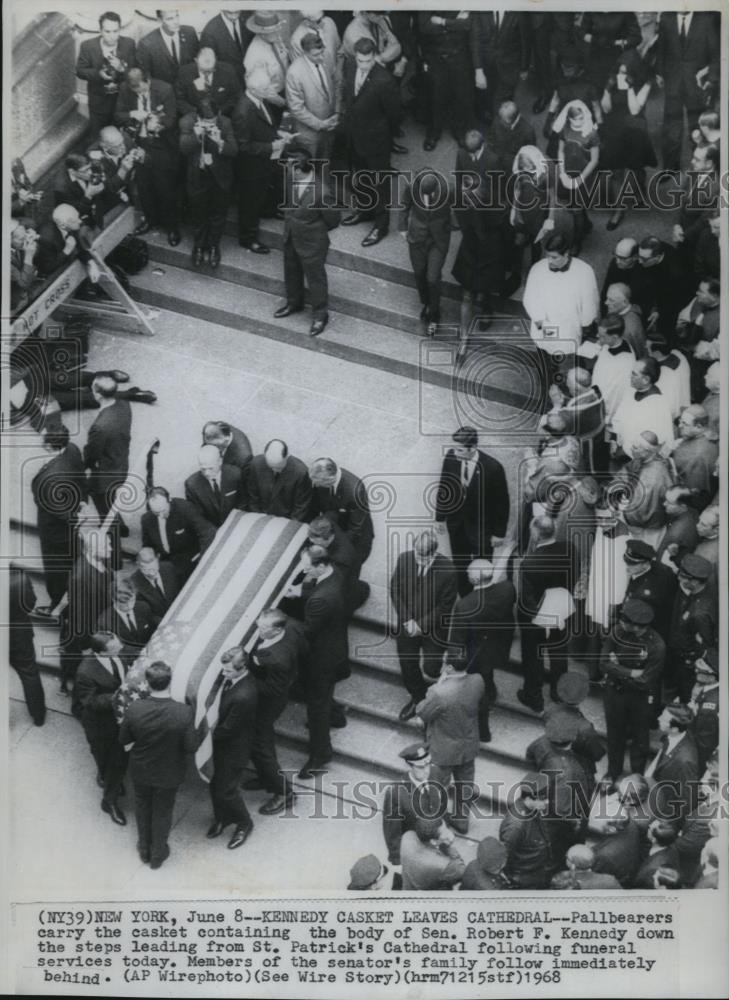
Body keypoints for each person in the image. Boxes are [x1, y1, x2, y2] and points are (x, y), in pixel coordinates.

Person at [119, 661, 195, 868]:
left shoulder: (134, 708)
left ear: (148, 683)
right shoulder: (184, 712)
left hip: (141, 769)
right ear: (170, 682)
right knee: (163, 810)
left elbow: (124, 739)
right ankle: (158, 854)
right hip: (169, 773)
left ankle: (144, 848)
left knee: (142, 805)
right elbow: (190, 747)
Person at [287, 546, 349, 779]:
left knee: (316, 707)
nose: (305, 572)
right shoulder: (334, 574)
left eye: (307, 569)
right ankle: (336, 715)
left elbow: (307, 630)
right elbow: (319, 592)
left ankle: (320, 754)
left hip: (321, 659)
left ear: (321, 565)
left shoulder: (322, 599)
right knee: (321, 697)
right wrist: (302, 592)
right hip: (333, 649)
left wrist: (283, 622)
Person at [390, 530, 457, 722]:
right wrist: (407, 620)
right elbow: (395, 589)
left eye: (424, 558)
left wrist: (421, 625)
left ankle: (437, 694)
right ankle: (418, 699)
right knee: (408, 665)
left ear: (434, 553)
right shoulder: (405, 559)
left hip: (433, 628)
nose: (418, 561)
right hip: (407, 624)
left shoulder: (448, 571)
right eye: (417, 556)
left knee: (431, 668)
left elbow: (445, 606)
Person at [273, 144, 340, 337]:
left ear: (300, 170)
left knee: (315, 279)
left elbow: (333, 220)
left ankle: (320, 314)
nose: (286, 169)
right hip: (291, 235)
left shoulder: (322, 192)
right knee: (291, 270)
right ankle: (294, 303)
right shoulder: (290, 178)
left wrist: (312, 230)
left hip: (312, 243)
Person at [434, 425, 509, 595]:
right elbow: (444, 486)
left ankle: (481, 595)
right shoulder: (451, 457)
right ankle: (465, 596)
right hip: (457, 524)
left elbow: (502, 503)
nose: (455, 453)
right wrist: (440, 517)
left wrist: (499, 533)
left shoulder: (493, 468)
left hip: (482, 528)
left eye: (460, 450)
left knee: (482, 566)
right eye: (455, 448)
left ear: (473, 447)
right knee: (460, 564)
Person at [340, 37, 400, 248]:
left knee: (381, 183)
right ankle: (365, 211)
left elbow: (394, 115)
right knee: (361, 177)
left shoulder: (384, 80)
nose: (362, 65)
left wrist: (381, 134)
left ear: (374, 57)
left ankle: (381, 225)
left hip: (376, 141)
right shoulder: (350, 66)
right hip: (354, 136)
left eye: (367, 61)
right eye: (359, 60)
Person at [523, 232, 600, 394]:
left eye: (554, 257)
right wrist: (540, 322)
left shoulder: (585, 272)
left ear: (567, 254)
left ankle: (566, 391)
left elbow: (590, 302)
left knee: (567, 366)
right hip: (543, 327)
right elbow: (530, 297)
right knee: (544, 361)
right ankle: (546, 386)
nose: (549, 261)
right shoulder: (538, 269)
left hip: (568, 330)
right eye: (548, 256)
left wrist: (586, 324)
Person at [447, 558, 515, 742]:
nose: (467, 574)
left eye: (469, 573)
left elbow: (457, 641)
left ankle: (483, 731)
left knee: (479, 692)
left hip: (476, 655)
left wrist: (452, 665)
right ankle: (491, 690)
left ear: (475, 580)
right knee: (488, 675)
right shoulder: (508, 589)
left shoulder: (465, 606)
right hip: (499, 648)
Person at [416, 652, 483, 833]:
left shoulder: (438, 692)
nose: (441, 663)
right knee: (465, 785)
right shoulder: (478, 681)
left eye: (444, 661)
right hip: (468, 746)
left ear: (450, 667)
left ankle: (436, 825)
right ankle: (461, 821)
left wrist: (440, 682)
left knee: (437, 789)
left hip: (442, 750)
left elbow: (422, 713)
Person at [600, 599, 665, 783]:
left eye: (625, 622)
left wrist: (617, 667)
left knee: (640, 739)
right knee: (614, 735)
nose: (620, 623)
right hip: (615, 693)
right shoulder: (618, 632)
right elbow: (603, 664)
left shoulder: (656, 646)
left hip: (641, 698)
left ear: (637, 626)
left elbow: (645, 682)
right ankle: (613, 773)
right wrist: (630, 672)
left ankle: (637, 777)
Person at [247, 609, 305, 815]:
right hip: (271, 696)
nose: (258, 630)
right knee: (263, 740)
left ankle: (284, 792)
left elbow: (273, 688)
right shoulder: (289, 629)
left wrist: (245, 679)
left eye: (263, 628)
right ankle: (266, 777)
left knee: (259, 746)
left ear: (277, 629)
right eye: (259, 624)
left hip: (268, 703)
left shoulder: (277, 658)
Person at [114, 68, 180, 245]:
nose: (139, 93)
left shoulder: (165, 89)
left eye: (142, 89)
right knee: (144, 186)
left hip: (162, 145)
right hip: (140, 144)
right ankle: (150, 220)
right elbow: (118, 115)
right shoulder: (125, 89)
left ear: (148, 80)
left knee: (166, 188)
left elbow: (172, 119)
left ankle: (172, 226)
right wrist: (132, 114)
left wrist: (156, 124)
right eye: (135, 91)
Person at [71, 630, 130, 826]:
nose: (121, 647)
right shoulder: (85, 671)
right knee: (107, 757)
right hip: (100, 724)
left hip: (119, 719)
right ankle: (109, 800)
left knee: (118, 758)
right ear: (102, 652)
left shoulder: (120, 655)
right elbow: (90, 701)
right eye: (115, 647)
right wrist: (118, 696)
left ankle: (109, 778)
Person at [516, 514, 575, 713]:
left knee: (533, 656)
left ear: (535, 535)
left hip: (538, 615)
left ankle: (533, 697)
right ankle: (559, 693)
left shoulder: (529, 563)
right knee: (559, 652)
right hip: (564, 608)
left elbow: (526, 600)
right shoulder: (570, 549)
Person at [232, 66, 289, 255]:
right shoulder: (243, 111)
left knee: (262, 193)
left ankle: (268, 210)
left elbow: (264, 125)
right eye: (266, 88)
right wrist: (272, 146)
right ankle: (248, 239)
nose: (270, 91)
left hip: (263, 162)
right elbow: (243, 146)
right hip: (251, 168)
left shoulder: (258, 100)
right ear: (255, 89)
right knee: (250, 202)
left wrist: (277, 133)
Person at [30, 424, 87, 611]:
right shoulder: (72, 449)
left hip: (55, 532)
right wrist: (82, 502)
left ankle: (58, 606)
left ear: (49, 446)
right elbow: (80, 477)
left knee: (56, 572)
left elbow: (56, 509)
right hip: (70, 522)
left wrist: (76, 518)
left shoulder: (48, 479)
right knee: (72, 563)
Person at [655, 12, 720, 172]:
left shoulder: (706, 18)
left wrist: (711, 80)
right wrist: (659, 72)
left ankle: (700, 167)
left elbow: (716, 54)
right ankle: (670, 168)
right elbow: (661, 47)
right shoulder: (666, 18)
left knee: (697, 126)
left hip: (698, 85)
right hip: (673, 82)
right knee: (671, 128)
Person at [207, 645, 258, 850]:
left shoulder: (244, 695)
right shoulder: (234, 683)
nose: (223, 673)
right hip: (223, 745)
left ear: (242, 668)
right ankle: (223, 817)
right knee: (214, 784)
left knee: (227, 790)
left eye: (228, 671)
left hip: (233, 748)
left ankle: (244, 823)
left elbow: (228, 729)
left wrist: (204, 735)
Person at [599, 50, 656, 230]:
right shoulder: (613, 78)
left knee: (635, 167)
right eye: (620, 71)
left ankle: (640, 188)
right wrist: (608, 90)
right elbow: (606, 109)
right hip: (615, 126)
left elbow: (634, 110)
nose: (621, 75)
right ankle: (618, 210)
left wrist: (630, 88)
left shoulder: (646, 83)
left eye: (626, 73)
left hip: (634, 127)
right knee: (617, 171)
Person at [179, 98, 237, 268]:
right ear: (197, 117)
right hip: (197, 176)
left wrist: (220, 142)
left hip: (219, 177)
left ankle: (213, 246)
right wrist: (196, 136)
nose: (209, 125)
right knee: (198, 214)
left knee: (218, 214)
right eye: (206, 122)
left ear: (218, 114)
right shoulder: (187, 122)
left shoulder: (225, 123)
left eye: (212, 122)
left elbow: (234, 150)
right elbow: (183, 148)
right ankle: (198, 246)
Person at [381, 742, 443, 886]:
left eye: (428, 764)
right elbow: (392, 832)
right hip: (413, 848)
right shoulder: (396, 792)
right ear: (410, 765)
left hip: (435, 842)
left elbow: (439, 803)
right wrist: (397, 860)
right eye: (421, 767)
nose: (426, 770)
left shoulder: (435, 773)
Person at [398, 172, 452, 337]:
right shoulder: (412, 187)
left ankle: (434, 315)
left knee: (432, 277)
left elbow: (459, 207)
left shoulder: (448, 189)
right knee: (420, 273)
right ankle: (427, 303)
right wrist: (402, 228)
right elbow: (404, 206)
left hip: (438, 239)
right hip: (417, 237)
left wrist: (453, 225)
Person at [61, 530, 114, 691]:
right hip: (88, 631)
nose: (111, 549)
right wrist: (85, 645)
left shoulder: (101, 562)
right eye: (106, 546)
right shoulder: (80, 577)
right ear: (91, 550)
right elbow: (79, 617)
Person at [417, 10, 474, 150]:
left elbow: (467, 25)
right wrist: (454, 24)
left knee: (460, 96)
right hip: (435, 57)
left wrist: (441, 22)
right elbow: (424, 28)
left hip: (459, 56)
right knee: (436, 96)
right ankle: (433, 133)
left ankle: (460, 132)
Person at [75, 10, 136, 137]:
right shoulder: (87, 46)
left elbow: (136, 72)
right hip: (99, 103)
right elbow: (80, 71)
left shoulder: (129, 44)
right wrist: (98, 74)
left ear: (120, 29)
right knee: (99, 137)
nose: (112, 36)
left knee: (122, 137)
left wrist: (121, 68)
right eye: (107, 31)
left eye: (115, 31)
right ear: (100, 31)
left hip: (122, 102)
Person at [667, 554, 717, 703]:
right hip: (678, 655)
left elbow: (705, 644)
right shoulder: (690, 594)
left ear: (694, 581)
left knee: (686, 697)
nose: (679, 579)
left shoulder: (700, 612)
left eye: (683, 577)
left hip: (689, 663)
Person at [613, 431, 674, 548]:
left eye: (635, 447)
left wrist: (620, 510)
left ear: (647, 451)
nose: (631, 448)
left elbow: (638, 512)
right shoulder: (644, 458)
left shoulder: (653, 478)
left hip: (646, 529)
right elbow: (627, 469)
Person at [141, 486, 215, 583]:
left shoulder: (185, 508)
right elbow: (147, 545)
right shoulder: (146, 519)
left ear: (169, 500)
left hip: (191, 560)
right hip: (167, 563)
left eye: (163, 510)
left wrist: (203, 558)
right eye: (156, 512)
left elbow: (207, 532)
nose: (160, 515)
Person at [308, 457, 374, 565]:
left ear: (330, 479)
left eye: (318, 482)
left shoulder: (356, 491)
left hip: (356, 537)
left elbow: (355, 529)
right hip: (332, 527)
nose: (315, 484)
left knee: (348, 571)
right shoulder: (320, 480)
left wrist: (334, 548)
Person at [285, 33, 340, 161]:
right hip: (309, 135)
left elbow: (337, 84)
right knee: (308, 169)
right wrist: (320, 124)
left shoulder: (326, 57)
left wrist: (337, 111)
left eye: (322, 52)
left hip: (330, 127)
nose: (321, 57)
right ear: (305, 52)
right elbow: (296, 108)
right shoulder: (294, 73)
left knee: (325, 163)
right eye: (316, 55)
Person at [83, 373, 131, 518]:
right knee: (111, 497)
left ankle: (112, 529)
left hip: (105, 474)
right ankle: (119, 523)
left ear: (98, 395)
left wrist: (86, 467)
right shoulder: (124, 405)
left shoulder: (100, 427)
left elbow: (92, 453)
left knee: (102, 504)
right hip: (121, 463)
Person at [554, 100, 600, 248]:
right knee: (572, 205)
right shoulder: (565, 129)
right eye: (576, 118)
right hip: (567, 172)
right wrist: (562, 174)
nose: (580, 121)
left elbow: (594, 160)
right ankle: (586, 224)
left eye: (582, 117)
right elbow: (560, 151)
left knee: (577, 209)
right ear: (569, 119)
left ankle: (577, 241)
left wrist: (580, 179)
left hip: (584, 176)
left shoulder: (592, 134)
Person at [610, 358, 675, 461]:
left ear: (646, 380)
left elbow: (661, 441)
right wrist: (614, 440)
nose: (629, 377)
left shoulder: (659, 405)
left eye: (634, 374)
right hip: (622, 453)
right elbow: (618, 419)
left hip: (640, 460)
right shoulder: (630, 392)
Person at [470, 11, 529, 124]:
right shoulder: (481, 9)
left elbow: (525, 40)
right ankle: (491, 119)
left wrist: (524, 67)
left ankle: (501, 130)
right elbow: (475, 41)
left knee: (502, 103)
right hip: (487, 65)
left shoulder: (519, 11)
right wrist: (478, 70)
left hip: (510, 66)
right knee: (487, 98)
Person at [645, 704, 701, 822]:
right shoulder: (673, 735)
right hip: (658, 789)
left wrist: (671, 823)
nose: (659, 718)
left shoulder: (686, 761)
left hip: (666, 805)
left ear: (675, 728)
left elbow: (687, 798)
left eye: (663, 719)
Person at [499, 772, 554, 889]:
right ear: (529, 798)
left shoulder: (532, 808)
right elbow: (505, 856)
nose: (547, 802)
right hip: (523, 878)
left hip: (536, 869)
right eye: (543, 799)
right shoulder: (515, 826)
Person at [9, 567, 47, 727]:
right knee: (29, 673)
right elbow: (30, 604)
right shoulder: (20, 578)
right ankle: (38, 715)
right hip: (19, 636)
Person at [622, 539, 677, 642]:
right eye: (627, 562)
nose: (627, 567)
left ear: (646, 564)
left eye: (632, 564)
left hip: (649, 632)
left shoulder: (646, 592)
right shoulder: (660, 569)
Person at [247, 439, 312, 521]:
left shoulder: (301, 473)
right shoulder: (256, 464)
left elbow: (300, 508)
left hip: (286, 520)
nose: (274, 470)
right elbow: (253, 497)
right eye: (271, 467)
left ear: (287, 457)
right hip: (261, 517)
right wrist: (258, 519)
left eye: (278, 467)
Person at [184, 444, 245, 531]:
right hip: (211, 531)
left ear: (220, 461)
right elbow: (198, 517)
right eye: (203, 469)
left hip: (237, 526)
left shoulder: (235, 474)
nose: (207, 473)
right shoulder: (192, 485)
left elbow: (243, 504)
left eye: (210, 468)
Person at [137, 8, 200, 87]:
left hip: (190, 90)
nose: (176, 22)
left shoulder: (189, 32)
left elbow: (197, 62)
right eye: (170, 19)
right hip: (164, 94)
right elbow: (146, 77)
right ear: (159, 20)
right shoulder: (146, 44)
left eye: (177, 16)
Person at [400, 817, 466, 891]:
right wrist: (449, 846)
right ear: (433, 841)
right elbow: (461, 871)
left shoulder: (407, 836)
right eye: (445, 831)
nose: (448, 832)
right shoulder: (443, 865)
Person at [580, 12, 641, 91]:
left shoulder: (625, 11)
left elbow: (636, 38)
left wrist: (615, 42)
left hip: (619, 55)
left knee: (619, 90)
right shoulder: (591, 10)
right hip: (596, 55)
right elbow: (582, 33)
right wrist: (596, 40)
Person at [672, 406, 719, 508]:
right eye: (680, 421)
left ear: (698, 427)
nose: (679, 426)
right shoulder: (707, 434)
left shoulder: (698, 456)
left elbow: (693, 492)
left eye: (684, 424)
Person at [175, 46, 241, 118]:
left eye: (210, 71)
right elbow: (179, 99)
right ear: (196, 61)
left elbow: (236, 96)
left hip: (222, 114)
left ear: (216, 60)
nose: (206, 74)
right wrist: (195, 113)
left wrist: (220, 112)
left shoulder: (228, 71)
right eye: (203, 71)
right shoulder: (184, 73)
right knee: (185, 123)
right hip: (194, 114)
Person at [33, 204, 95, 280]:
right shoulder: (46, 239)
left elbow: (79, 245)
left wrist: (91, 263)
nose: (80, 221)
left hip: (64, 262)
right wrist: (66, 251)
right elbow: (47, 268)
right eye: (75, 220)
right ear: (63, 225)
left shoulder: (70, 225)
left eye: (78, 217)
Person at [243, 10, 292, 101]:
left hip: (287, 87)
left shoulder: (274, 37)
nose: (277, 34)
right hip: (274, 97)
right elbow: (260, 89)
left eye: (277, 29)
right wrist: (281, 102)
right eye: (273, 31)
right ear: (262, 33)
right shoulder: (254, 55)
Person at [200, 9, 253, 85]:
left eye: (237, 11)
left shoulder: (248, 18)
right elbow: (209, 65)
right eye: (230, 12)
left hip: (252, 77)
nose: (234, 15)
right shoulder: (210, 31)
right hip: (229, 83)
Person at [130, 547, 180, 624]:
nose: (152, 573)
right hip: (161, 622)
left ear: (157, 560)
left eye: (154, 568)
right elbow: (145, 614)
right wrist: (166, 622)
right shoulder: (134, 584)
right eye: (146, 570)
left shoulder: (168, 567)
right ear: (138, 565)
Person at [688, 651, 719, 771]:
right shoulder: (707, 688)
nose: (696, 671)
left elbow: (704, 742)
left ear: (712, 677)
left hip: (700, 755)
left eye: (700, 671)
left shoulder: (710, 705)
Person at [648, 337, 691, 422]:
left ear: (657, 353)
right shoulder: (679, 355)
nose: (645, 349)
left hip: (671, 416)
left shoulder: (663, 377)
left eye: (647, 348)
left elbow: (667, 405)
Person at [604, 282, 647, 359]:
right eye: (607, 298)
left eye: (611, 300)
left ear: (625, 302)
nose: (606, 302)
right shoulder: (626, 310)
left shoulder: (627, 328)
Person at [550, 844, 622, 890]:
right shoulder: (610, 880)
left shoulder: (563, 884)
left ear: (573, 865)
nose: (565, 858)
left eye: (567, 857)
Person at [633, 821, 680, 888]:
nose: (648, 825)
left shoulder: (652, 872)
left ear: (654, 839)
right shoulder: (670, 845)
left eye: (650, 828)